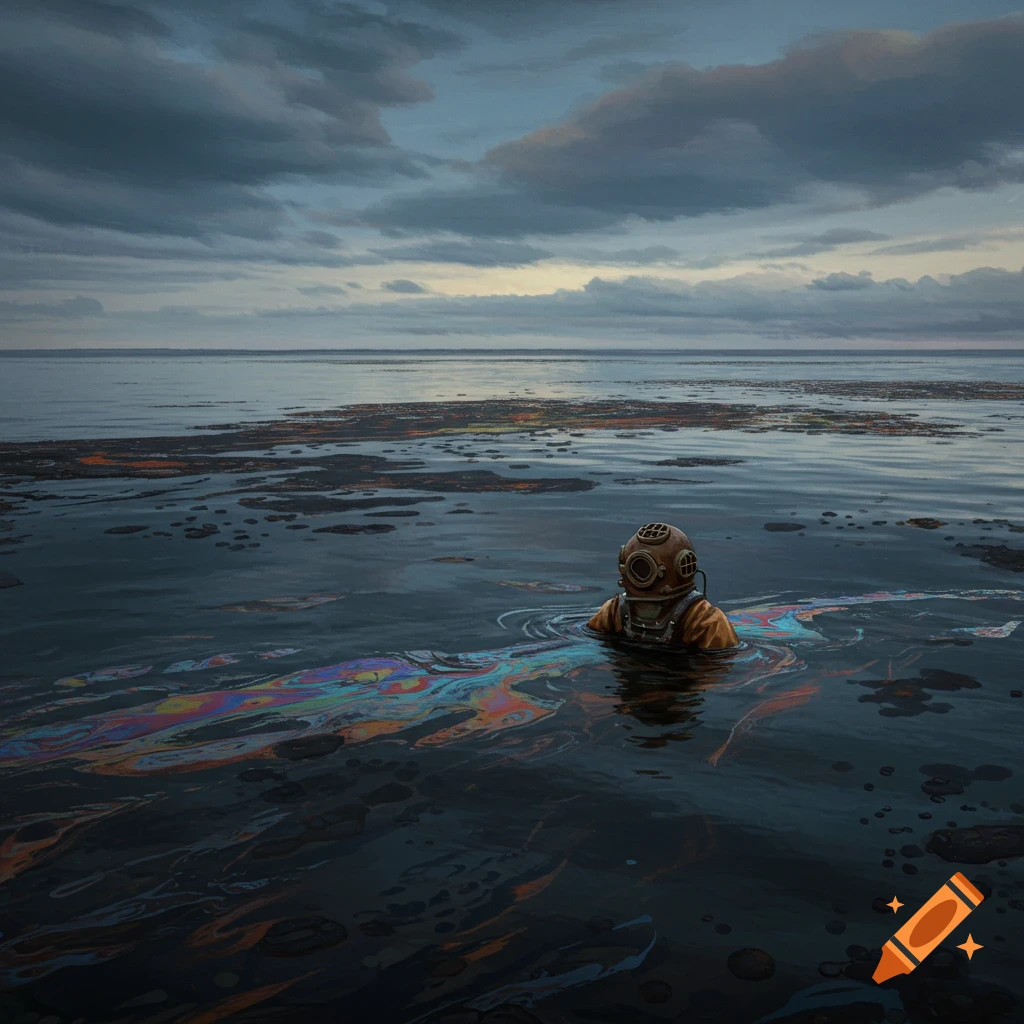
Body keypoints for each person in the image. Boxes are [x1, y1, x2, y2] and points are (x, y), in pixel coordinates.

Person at [587, 522, 739, 650]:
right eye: (637, 570)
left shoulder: (704, 621)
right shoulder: (614, 612)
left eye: (645, 570)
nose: (641, 579)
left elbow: (718, 670)